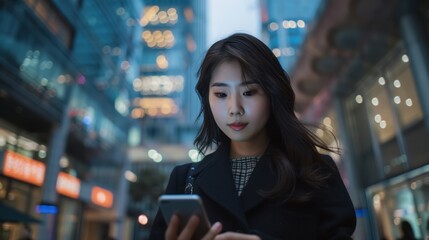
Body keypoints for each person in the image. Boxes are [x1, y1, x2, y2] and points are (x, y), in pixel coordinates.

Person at [149, 33, 356, 240]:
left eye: (249, 92)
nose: (234, 109)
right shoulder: (184, 180)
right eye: (221, 94)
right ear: (207, 100)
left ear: (272, 92)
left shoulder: (317, 172)